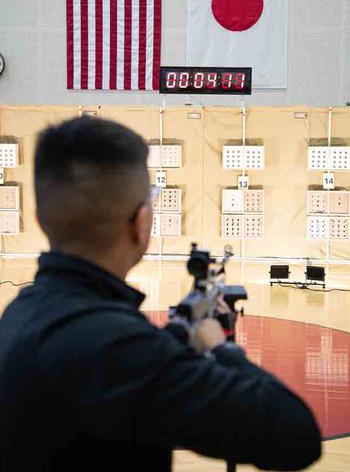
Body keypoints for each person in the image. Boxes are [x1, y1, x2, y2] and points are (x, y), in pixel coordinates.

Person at [0, 116, 321, 472]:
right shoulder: (116, 348)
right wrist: (221, 348)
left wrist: (170, 345)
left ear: (41, 219)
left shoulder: (20, 312)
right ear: (142, 222)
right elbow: (296, 434)